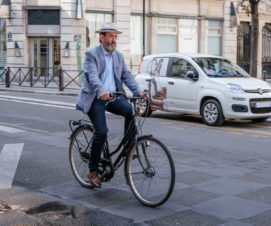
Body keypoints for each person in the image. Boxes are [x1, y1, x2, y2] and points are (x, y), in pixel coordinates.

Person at [76, 22, 143, 188]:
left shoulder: (118, 56)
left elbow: (126, 76)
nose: (114, 40)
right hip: (96, 98)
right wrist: (101, 90)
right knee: (102, 132)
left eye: (116, 37)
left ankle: (128, 147)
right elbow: (92, 77)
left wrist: (139, 91)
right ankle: (92, 171)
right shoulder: (91, 54)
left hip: (113, 97)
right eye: (111, 36)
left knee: (130, 111)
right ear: (102, 37)